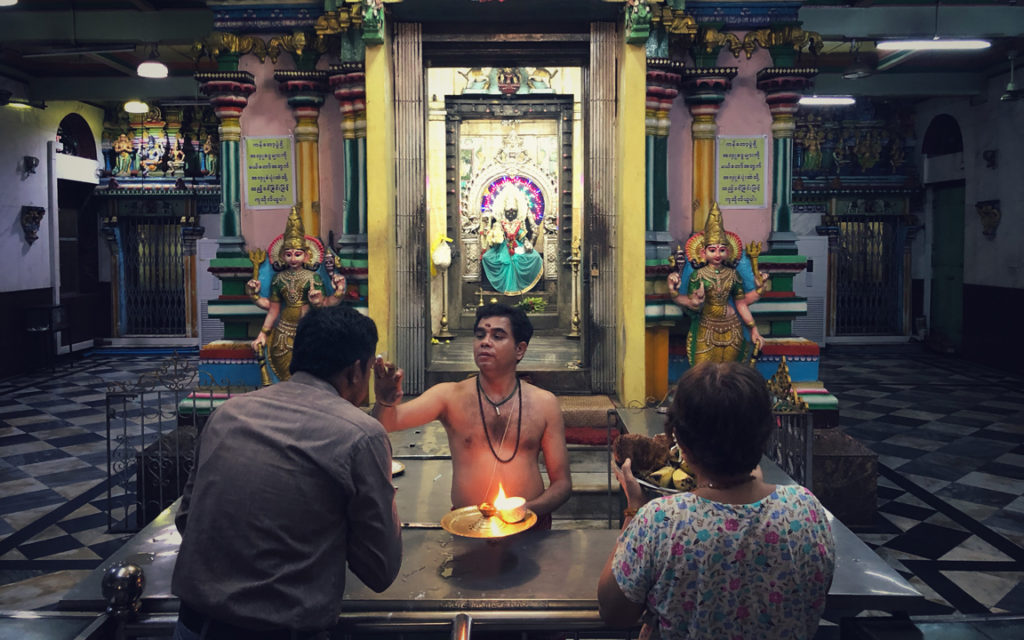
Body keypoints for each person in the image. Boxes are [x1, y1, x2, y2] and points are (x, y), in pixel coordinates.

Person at [172, 304, 402, 640]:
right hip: (280, 630)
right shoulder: (360, 435)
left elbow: (187, 519)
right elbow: (380, 570)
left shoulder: (228, 414)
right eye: (368, 370)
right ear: (356, 371)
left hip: (193, 624)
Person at [598, 361, 835, 639]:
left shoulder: (660, 521)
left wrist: (633, 510)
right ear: (766, 433)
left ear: (681, 445)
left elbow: (614, 611)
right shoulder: (804, 510)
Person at [373, 303, 571, 529]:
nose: (485, 342)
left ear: (520, 349)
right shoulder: (449, 396)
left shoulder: (544, 403)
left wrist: (525, 511)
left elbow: (562, 483)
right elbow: (386, 424)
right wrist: (384, 402)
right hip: (468, 526)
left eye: (497, 336)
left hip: (529, 524)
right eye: (479, 335)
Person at [247, 207, 346, 381]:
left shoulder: (312, 278)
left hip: (309, 332)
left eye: (298, 254)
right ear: (282, 256)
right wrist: (263, 330)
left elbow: (325, 304)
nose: (293, 258)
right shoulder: (278, 279)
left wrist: (337, 292)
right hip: (283, 335)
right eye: (289, 254)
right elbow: (273, 309)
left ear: (307, 256)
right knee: (286, 378)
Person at [667, 203, 765, 366]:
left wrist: (753, 328)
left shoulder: (733, 274)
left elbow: (741, 304)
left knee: (731, 375)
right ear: (703, 253)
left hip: (733, 329)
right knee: (703, 374)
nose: (717, 254)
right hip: (706, 329)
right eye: (712, 250)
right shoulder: (698, 275)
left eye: (722, 250)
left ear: (728, 251)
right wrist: (676, 294)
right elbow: (690, 303)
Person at [480, 185, 544, 295]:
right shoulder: (499, 223)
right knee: (487, 258)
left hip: (518, 247)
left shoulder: (519, 222)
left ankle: (522, 286)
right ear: (503, 211)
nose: (511, 214)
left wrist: (528, 244)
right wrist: (495, 238)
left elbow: (522, 237)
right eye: (508, 211)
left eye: (513, 211)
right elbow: (493, 239)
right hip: (501, 248)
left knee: (536, 258)